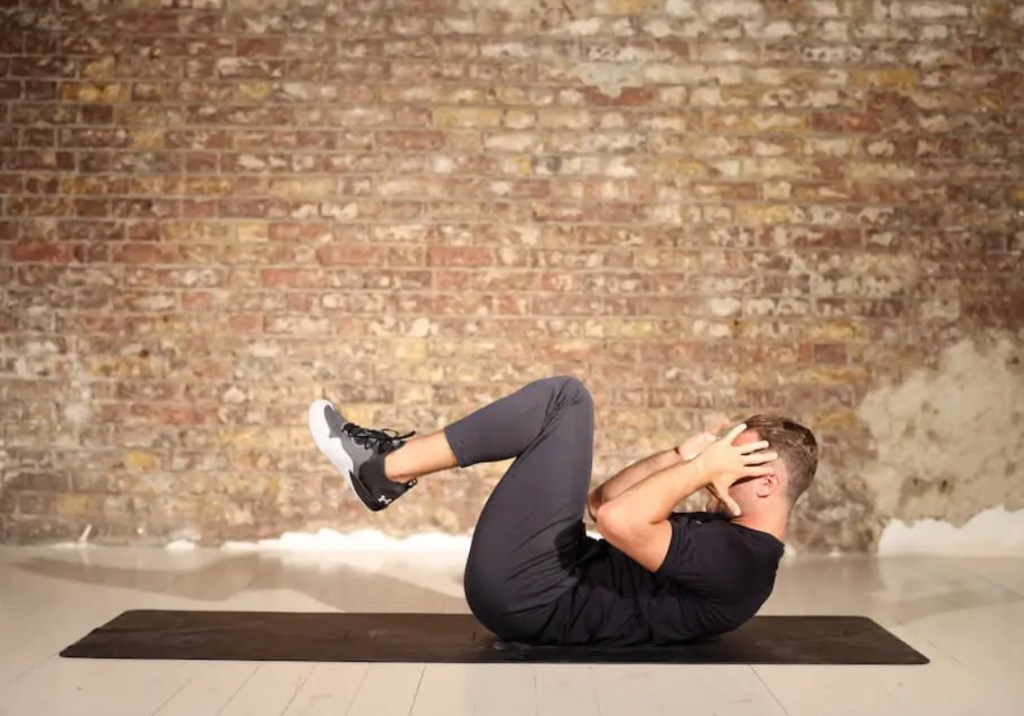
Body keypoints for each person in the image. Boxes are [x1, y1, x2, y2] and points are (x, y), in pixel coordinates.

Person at [308, 375, 818, 646]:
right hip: (552, 574)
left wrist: (704, 467)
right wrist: (680, 458)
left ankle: (381, 471)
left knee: (566, 399)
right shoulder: (729, 530)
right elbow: (604, 504)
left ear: (769, 481)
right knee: (565, 399)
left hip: (534, 597)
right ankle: (380, 471)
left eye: (738, 456)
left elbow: (620, 523)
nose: (722, 466)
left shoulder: (744, 561)